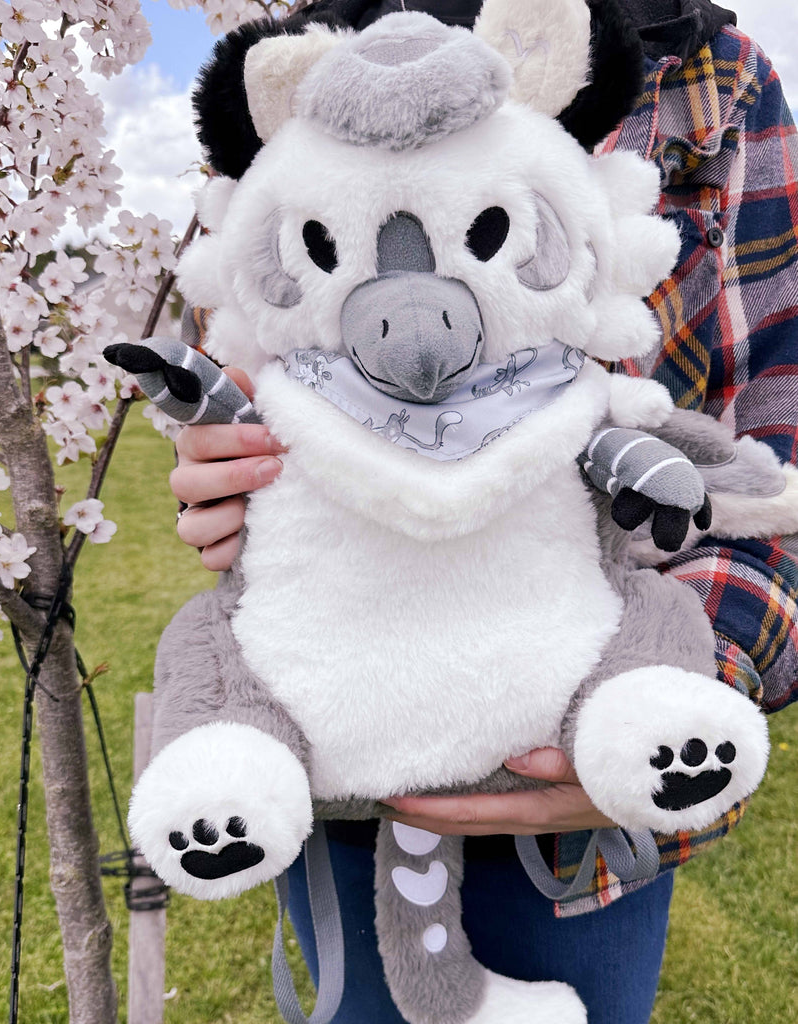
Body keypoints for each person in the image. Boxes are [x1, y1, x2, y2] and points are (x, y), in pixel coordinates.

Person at [169, 2, 798, 1021]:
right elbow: (243, 344)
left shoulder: (712, 75)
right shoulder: (294, 63)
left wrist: (650, 690)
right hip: (339, 746)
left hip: (589, 801)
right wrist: (227, 467)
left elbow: (778, 431)